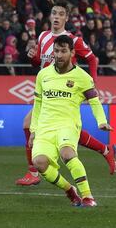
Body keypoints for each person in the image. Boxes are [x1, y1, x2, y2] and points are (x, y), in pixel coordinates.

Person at [16, 0, 115, 186]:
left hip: (67, 89)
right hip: (47, 89)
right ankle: (106, 150)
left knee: (29, 123)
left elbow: (92, 59)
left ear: (66, 18)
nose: (56, 17)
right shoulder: (43, 36)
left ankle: (33, 172)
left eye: (61, 14)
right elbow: (40, 63)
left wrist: (92, 82)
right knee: (65, 131)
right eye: (54, 13)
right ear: (50, 16)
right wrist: (33, 58)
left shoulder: (73, 40)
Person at [29, 35, 113, 207]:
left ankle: (88, 196)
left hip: (68, 125)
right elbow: (37, 105)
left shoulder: (82, 77)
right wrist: (33, 130)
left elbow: (94, 101)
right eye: (56, 51)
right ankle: (69, 190)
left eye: (63, 51)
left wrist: (101, 121)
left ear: (72, 52)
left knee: (67, 154)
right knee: (39, 163)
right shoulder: (43, 75)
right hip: (45, 127)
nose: (59, 55)